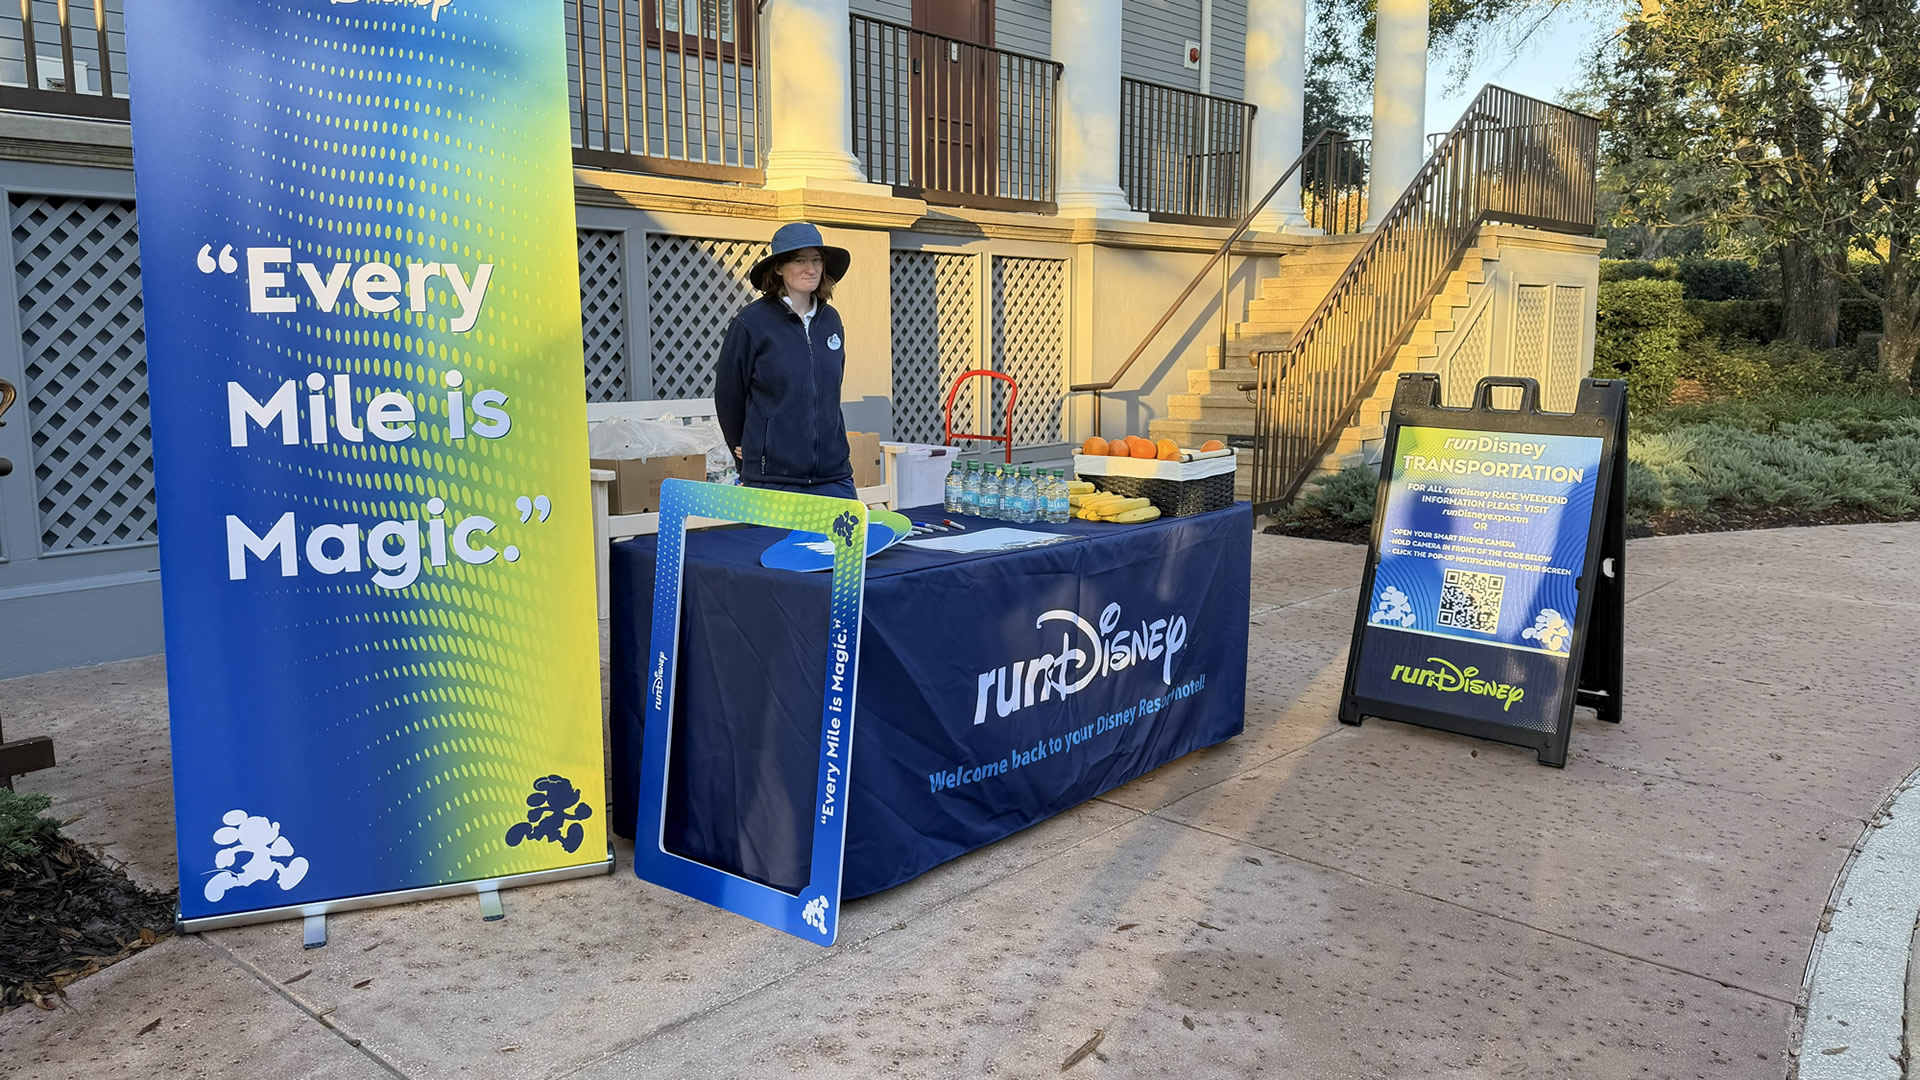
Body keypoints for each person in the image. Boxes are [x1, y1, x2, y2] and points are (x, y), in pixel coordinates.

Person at [714, 222, 857, 500]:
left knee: (848, 544)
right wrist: (745, 445)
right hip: (774, 478)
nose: (811, 268)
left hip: (833, 475)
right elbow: (728, 394)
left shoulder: (831, 321)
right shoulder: (751, 323)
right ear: (779, 267)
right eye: (799, 260)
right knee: (775, 546)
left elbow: (830, 388)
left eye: (817, 260)